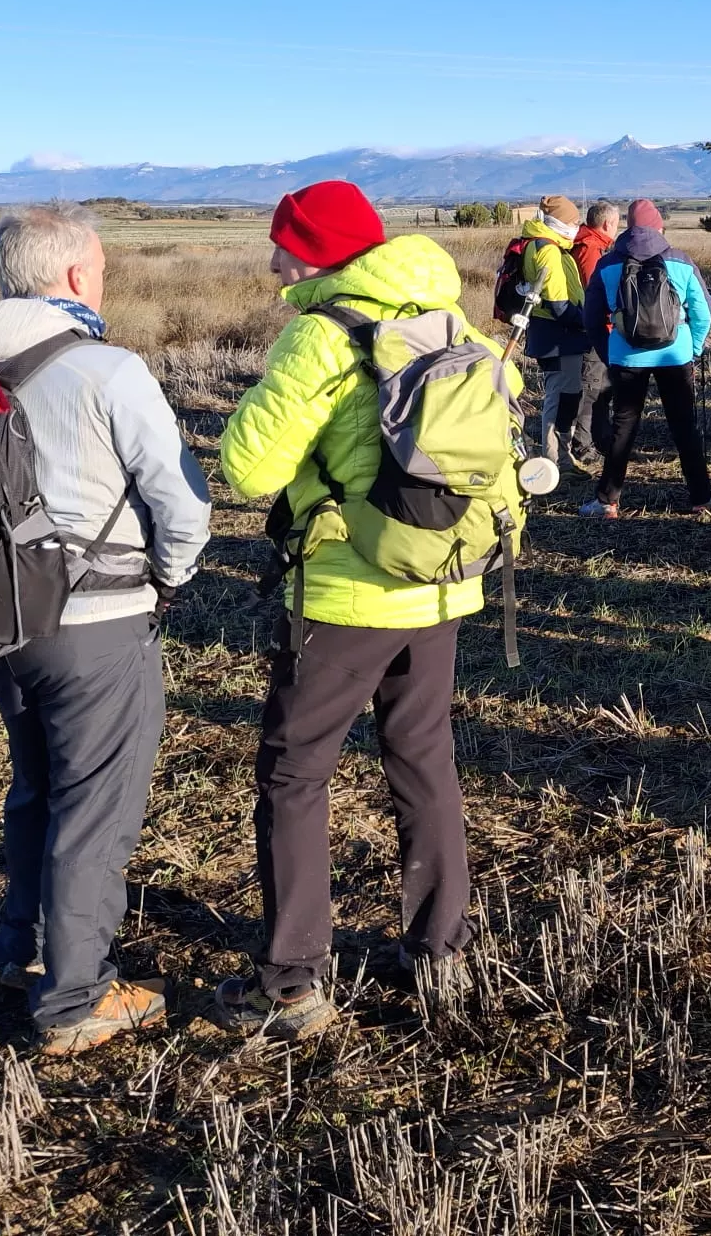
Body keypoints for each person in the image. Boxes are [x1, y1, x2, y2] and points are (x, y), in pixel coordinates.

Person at [214, 181, 514, 1040]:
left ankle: (290, 983)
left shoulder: (321, 334)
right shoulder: (450, 321)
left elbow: (250, 471)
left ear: (317, 250)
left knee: (295, 771)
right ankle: (441, 952)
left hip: (348, 592)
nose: (273, 262)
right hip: (447, 579)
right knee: (423, 757)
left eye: (284, 245)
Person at [0, 205, 212, 1055]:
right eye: (100, 268)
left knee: (36, 785)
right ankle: (75, 1000)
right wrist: (170, 579)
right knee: (96, 808)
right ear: (74, 277)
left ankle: (21, 951)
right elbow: (182, 503)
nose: (103, 280)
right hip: (97, 622)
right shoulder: (107, 368)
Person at [577, 200, 711, 516]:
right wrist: (692, 348)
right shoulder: (681, 261)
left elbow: (591, 317)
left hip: (626, 358)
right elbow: (703, 312)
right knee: (684, 427)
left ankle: (607, 501)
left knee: (622, 428)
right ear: (659, 226)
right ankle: (701, 498)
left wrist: (608, 351)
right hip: (675, 355)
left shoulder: (608, 264)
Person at [519, 195, 591, 471]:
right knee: (559, 396)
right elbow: (558, 302)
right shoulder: (547, 249)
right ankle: (554, 458)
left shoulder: (548, 246)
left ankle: (561, 456)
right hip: (558, 335)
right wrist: (586, 321)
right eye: (573, 221)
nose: (576, 226)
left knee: (566, 394)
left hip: (557, 334)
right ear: (558, 222)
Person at [567, 200, 620, 469]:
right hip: (594, 330)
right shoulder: (590, 250)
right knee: (592, 388)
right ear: (608, 223)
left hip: (597, 329)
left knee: (600, 388)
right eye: (617, 223)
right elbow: (594, 291)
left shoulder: (587, 243)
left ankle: (600, 439)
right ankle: (584, 445)